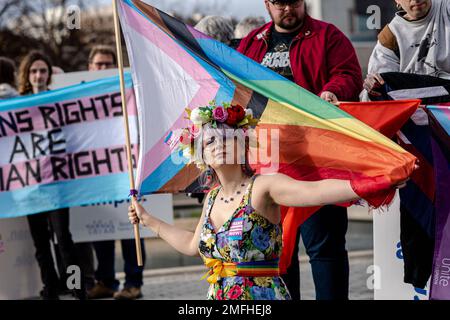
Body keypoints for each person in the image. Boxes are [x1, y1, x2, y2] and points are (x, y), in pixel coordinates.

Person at [127, 103, 407, 300]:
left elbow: (317, 192)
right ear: (202, 157)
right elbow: (192, 245)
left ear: (243, 145)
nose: (221, 144)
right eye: (211, 141)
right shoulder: (211, 199)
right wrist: (148, 219)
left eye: (229, 137)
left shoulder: (263, 186)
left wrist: (372, 183)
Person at [236, 0, 363, 299]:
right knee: (276, 250)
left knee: (325, 247)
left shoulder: (328, 36)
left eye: (293, 2)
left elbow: (349, 74)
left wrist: (333, 90)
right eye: (279, 3)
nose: (287, 9)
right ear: (267, 4)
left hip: (316, 162)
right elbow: (234, 89)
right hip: (265, 165)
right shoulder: (250, 43)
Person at [363, 0, 450, 290]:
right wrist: (375, 90)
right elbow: (373, 95)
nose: (415, 0)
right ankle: (421, 276)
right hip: (418, 137)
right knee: (383, 86)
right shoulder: (390, 34)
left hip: (443, 121)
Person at [18, 51, 85, 300]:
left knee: (63, 237)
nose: (38, 75)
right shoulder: (17, 105)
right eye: (34, 71)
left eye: (43, 70)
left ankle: (77, 288)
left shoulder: (58, 101)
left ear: (49, 74)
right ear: (27, 74)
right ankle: (51, 288)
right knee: (40, 241)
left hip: (57, 183)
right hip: (29, 184)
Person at [85, 45, 146, 300]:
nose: (103, 69)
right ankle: (106, 281)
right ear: (90, 67)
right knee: (103, 227)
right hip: (100, 172)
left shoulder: (132, 89)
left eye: (108, 64)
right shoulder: (85, 93)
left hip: (128, 169)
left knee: (131, 223)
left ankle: (133, 283)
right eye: (98, 64)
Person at [363, 0, 450, 97]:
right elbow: (380, 83)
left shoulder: (446, 7)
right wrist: (374, 83)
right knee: (376, 88)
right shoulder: (391, 35)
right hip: (416, 101)